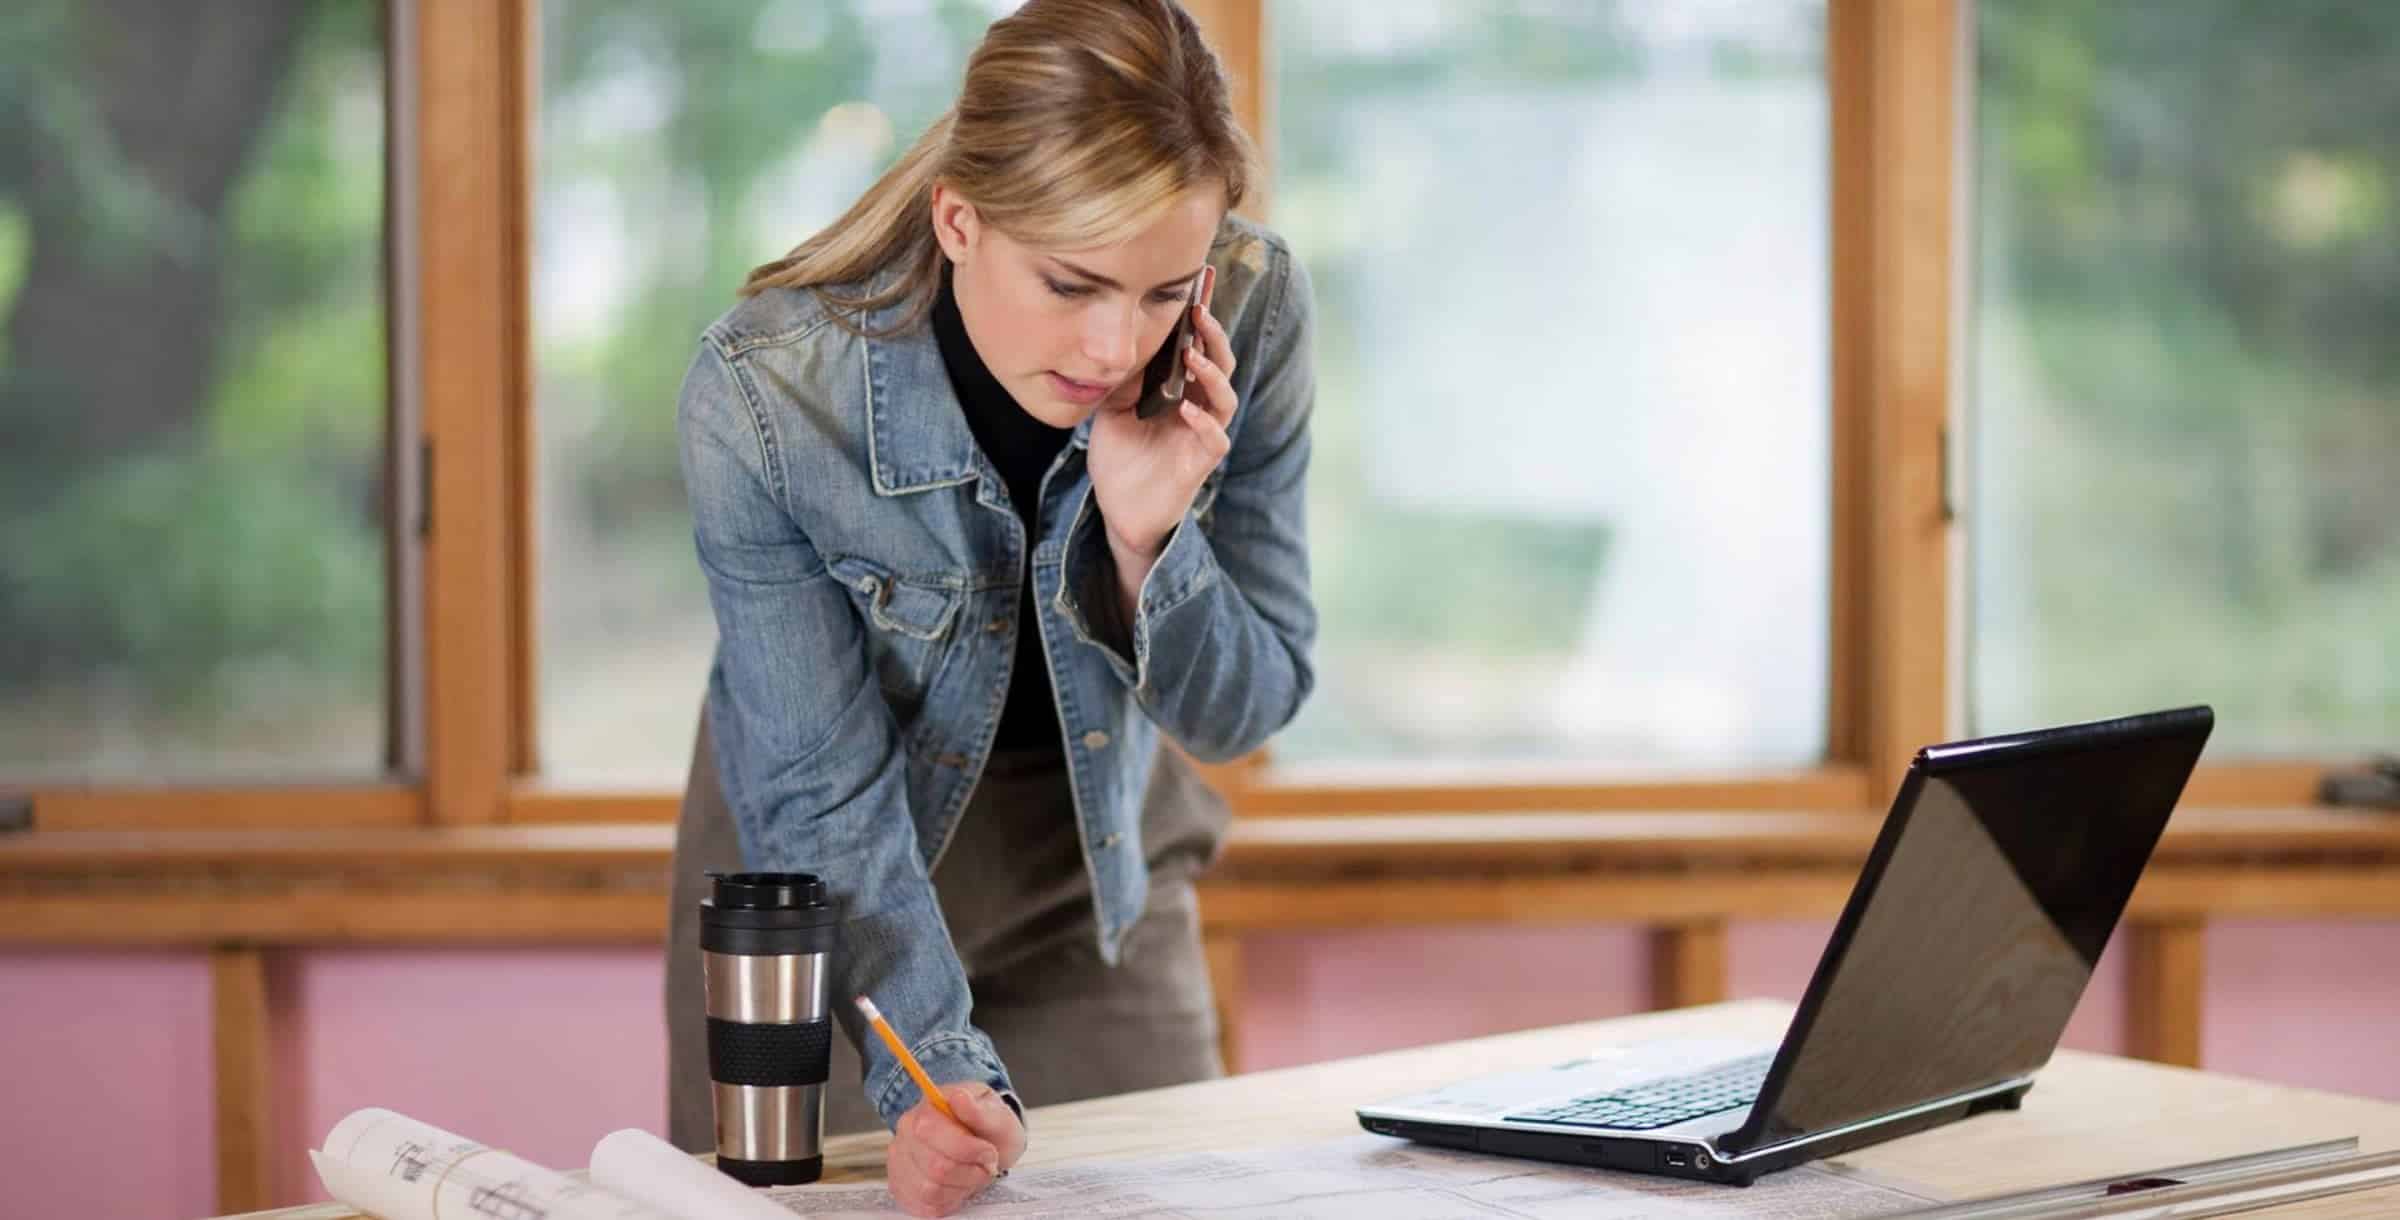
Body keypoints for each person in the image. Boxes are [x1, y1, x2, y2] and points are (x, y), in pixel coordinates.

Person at [660, 0, 1317, 1213]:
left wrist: (1148, 540)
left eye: (1165, 288)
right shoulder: (767, 396)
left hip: (1097, 855)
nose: (1119, 344)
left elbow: (1249, 704)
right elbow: (815, 793)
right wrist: (934, 1074)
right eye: (1072, 283)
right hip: (827, 869)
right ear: (959, 218)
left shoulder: (1254, 307)